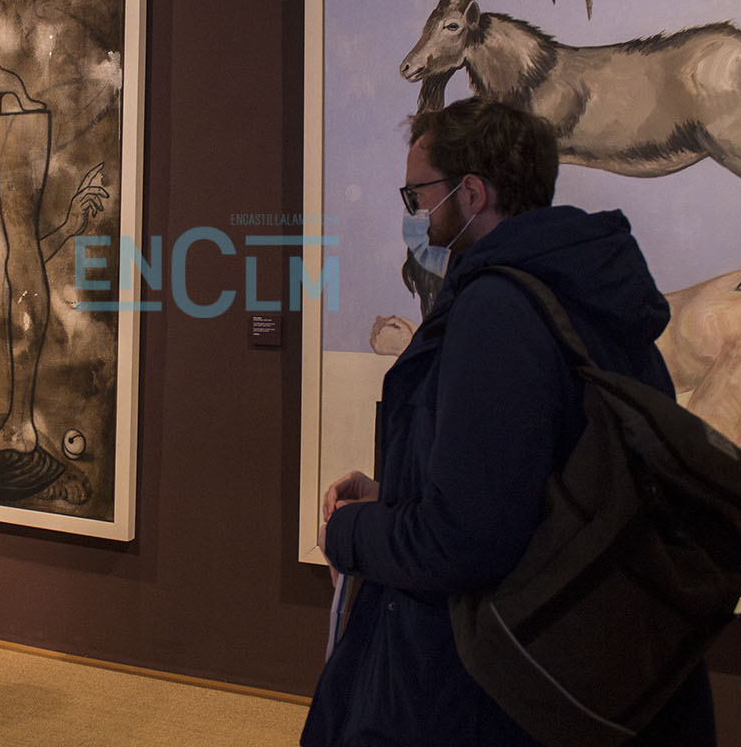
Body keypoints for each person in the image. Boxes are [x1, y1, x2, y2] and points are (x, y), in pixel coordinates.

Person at [303, 97, 715, 746]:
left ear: (470, 194)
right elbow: (529, 484)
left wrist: (350, 532)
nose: (414, 214)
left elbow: (466, 541)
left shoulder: (496, 307)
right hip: (588, 660)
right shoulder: (587, 291)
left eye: (418, 195)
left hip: (496, 681)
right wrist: (396, 494)